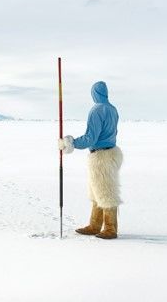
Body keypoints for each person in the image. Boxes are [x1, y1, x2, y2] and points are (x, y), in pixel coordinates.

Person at [58, 81, 123, 239]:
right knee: (97, 192)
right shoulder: (113, 109)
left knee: (105, 193)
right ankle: (95, 225)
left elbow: (91, 137)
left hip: (101, 157)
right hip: (112, 154)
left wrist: (71, 143)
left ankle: (110, 228)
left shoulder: (96, 110)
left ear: (94, 93)